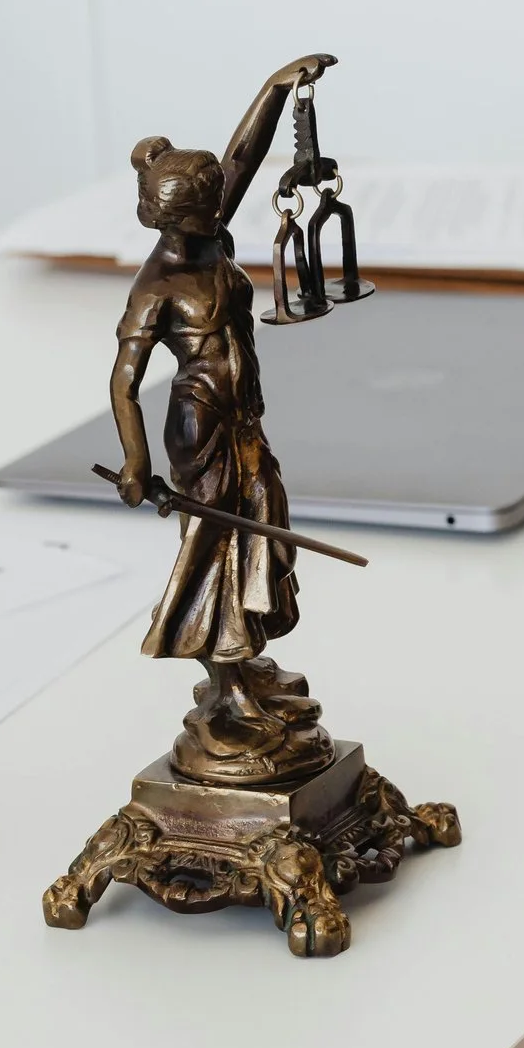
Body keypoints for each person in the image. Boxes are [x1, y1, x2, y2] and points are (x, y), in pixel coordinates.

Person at [110, 53, 340, 786]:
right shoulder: (158, 285)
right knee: (218, 550)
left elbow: (244, 155)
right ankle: (229, 685)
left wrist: (274, 89)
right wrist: (136, 463)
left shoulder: (208, 236)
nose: (224, 208)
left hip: (244, 419)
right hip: (201, 430)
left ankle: (243, 668)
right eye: (211, 204)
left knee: (262, 532)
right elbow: (124, 380)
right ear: (177, 214)